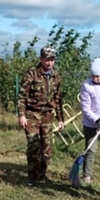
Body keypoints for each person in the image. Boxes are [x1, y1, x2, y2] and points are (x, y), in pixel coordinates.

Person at [18, 46, 65, 187]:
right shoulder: (31, 74)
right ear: (41, 59)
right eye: (47, 59)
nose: (49, 63)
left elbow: (58, 99)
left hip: (48, 116)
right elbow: (22, 96)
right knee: (33, 145)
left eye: (52, 60)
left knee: (46, 147)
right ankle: (31, 177)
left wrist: (61, 119)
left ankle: (42, 175)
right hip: (32, 114)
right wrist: (21, 115)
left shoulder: (56, 76)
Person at [79, 58, 100, 185]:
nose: (95, 78)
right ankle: (87, 175)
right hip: (91, 123)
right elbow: (86, 108)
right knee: (91, 149)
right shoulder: (86, 86)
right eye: (93, 76)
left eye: (98, 76)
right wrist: (98, 120)